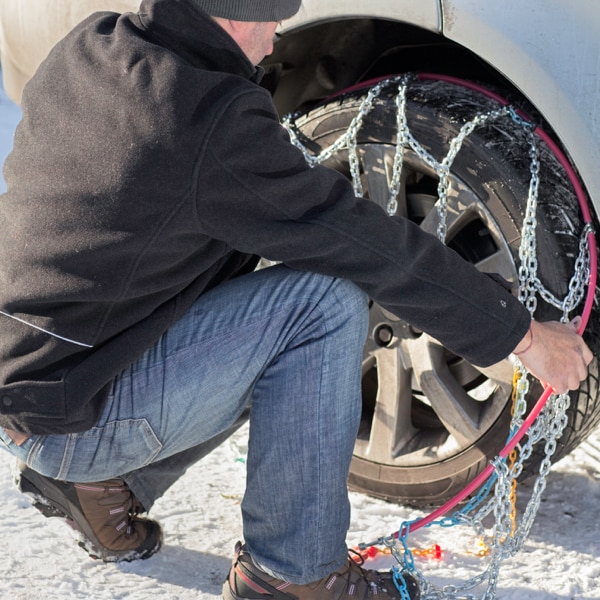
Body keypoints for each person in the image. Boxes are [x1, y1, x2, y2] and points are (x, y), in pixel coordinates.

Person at [0, 0, 592, 598]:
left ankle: (106, 484)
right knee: (321, 304)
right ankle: (293, 574)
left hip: (35, 380)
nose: (277, 38)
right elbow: (364, 244)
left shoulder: (95, 43)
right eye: (273, 19)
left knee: (249, 282)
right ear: (237, 16)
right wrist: (523, 335)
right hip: (73, 417)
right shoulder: (204, 119)